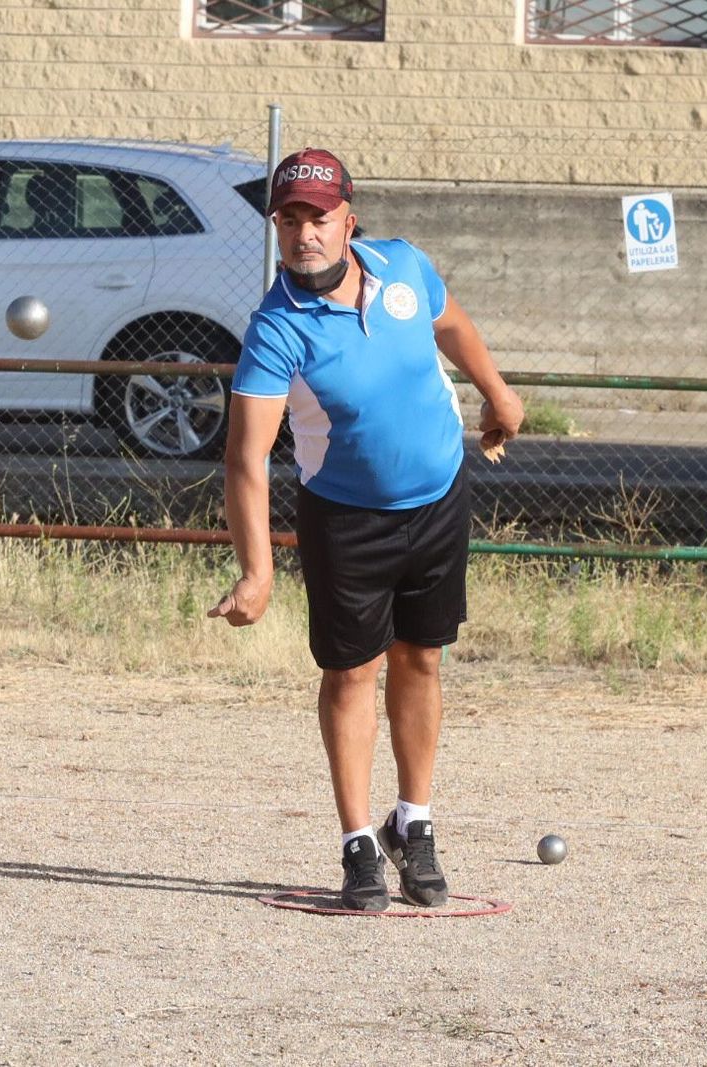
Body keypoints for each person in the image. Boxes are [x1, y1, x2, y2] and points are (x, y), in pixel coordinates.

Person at [208, 148, 524, 911]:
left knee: (422, 659)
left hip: (439, 496)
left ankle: (413, 824)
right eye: (289, 219)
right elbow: (245, 458)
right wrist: (257, 570)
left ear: (349, 219)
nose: (303, 233)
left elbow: (454, 324)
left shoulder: (405, 267)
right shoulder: (276, 327)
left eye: (317, 217)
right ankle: (357, 843)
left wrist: (498, 391)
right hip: (346, 517)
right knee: (352, 673)